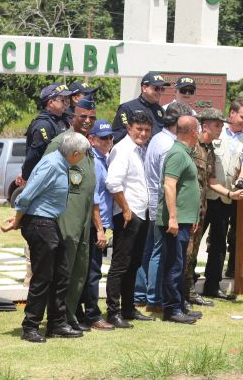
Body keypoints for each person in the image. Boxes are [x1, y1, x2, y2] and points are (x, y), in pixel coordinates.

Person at [1, 131, 91, 343]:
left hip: (49, 222)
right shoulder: (52, 165)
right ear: (76, 154)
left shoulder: (62, 164)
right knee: (42, 277)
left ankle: (56, 324)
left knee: (61, 274)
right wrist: (17, 220)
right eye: (85, 153)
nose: (86, 157)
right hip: (40, 223)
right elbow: (26, 195)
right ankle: (30, 326)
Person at [43, 97, 98, 331]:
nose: (87, 121)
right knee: (64, 266)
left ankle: (71, 313)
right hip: (65, 214)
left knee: (80, 265)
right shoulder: (60, 142)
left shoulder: (86, 145)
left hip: (83, 216)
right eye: (82, 116)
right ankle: (58, 316)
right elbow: (44, 176)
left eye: (91, 118)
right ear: (72, 116)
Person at [137, 102, 193, 312]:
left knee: (151, 250)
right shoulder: (168, 145)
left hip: (155, 203)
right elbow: (169, 182)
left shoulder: (158, 139)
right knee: (160, 253)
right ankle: (154, 298)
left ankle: (143, 293)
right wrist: (173, 215)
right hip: (163, 206)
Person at [105, 111, 155, 327]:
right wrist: (126, 210)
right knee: (120, 264)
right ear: (128, 128)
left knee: (134, 264)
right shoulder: (122, 149)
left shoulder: (140, 150)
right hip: (127, 214)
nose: (143, 134)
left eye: (146, 130)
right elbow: (113, 183)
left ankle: (128, 308)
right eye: (139, 129)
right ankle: (113, 311)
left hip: (141, 213)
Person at [203, 99, 243, 300]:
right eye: (242, 117)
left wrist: (242, 180)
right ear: (231, 114)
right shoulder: (216, 131)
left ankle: (212, 286)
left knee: (218, 244)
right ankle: (184, 287)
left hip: (227, 198)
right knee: (192, 241)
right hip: (206, 195)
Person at [185, 108, 232, 307]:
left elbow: (211, 180)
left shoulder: (210, 149)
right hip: (187, 208)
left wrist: (230, 194)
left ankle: (187, 293)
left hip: (202, 208)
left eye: (222, 125)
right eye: (217, 125)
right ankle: (182, 294)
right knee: (185, 253)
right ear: (205, 126)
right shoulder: (191, 147)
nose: (221, 128)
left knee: (193, 251)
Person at [159, 115, 203, 324]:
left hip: (185, 219)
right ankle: (171, 309)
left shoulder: (185, 153)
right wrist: (174, 218)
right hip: (176, 222)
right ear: (193, 131)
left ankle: (179, 304)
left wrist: (192, 217)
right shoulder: (177, 153)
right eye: (199, 129)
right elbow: (169, 185)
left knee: (179, 263)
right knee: (174, 265)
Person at [77, 119, 114, 331]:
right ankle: (92, 314)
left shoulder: (102, 159)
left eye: (110, 137)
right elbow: (94, 199)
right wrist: (100, 229)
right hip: (93, 225)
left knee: (89, 270)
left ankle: (82, 312)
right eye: (103, 138)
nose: (107, 141)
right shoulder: (94, 162)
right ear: (92, 139)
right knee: (92, 272)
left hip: (97, 223)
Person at [20, 83, 72, 183]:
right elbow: (34, 156)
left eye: (67, 99)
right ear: (51, 102)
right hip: (46, 180)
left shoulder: (63, 120)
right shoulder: (44, 125)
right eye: (63, 100)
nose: (67, 102)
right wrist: (25, 176)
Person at [112, 71, 170, 142]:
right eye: (156, 88)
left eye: (162, 89)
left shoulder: (161, 110)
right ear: (144, 88)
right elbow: (118, 137)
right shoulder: (127, 108)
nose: (160, 92)